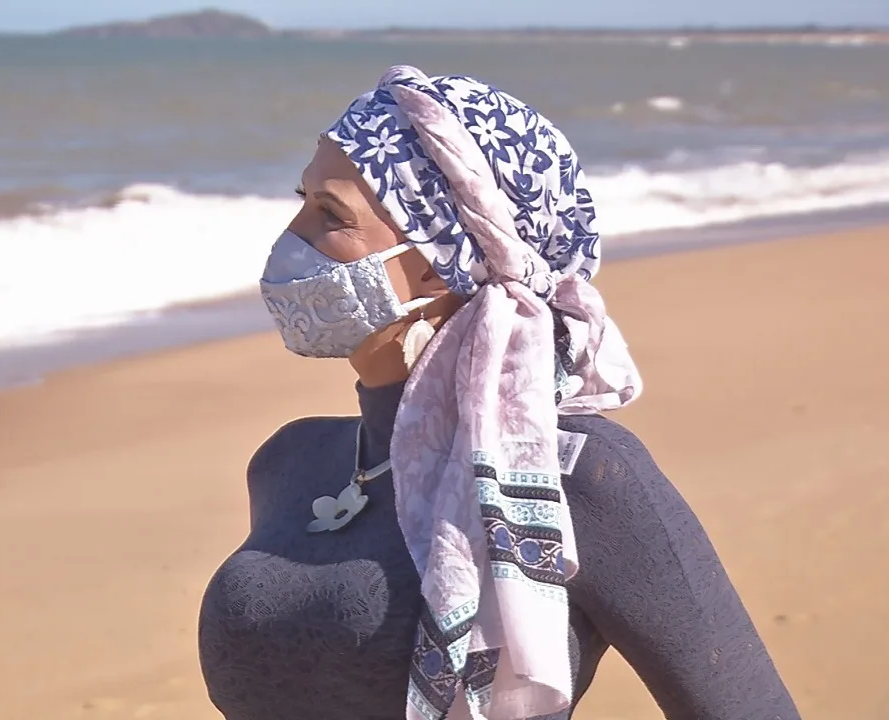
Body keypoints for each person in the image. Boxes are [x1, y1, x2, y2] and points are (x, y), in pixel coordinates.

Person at [197, 66, 801, 720]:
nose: (292, 237)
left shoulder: (575, 479)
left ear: (444, 253)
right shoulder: (291, 462)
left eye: (329, 213)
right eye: (301, 200)